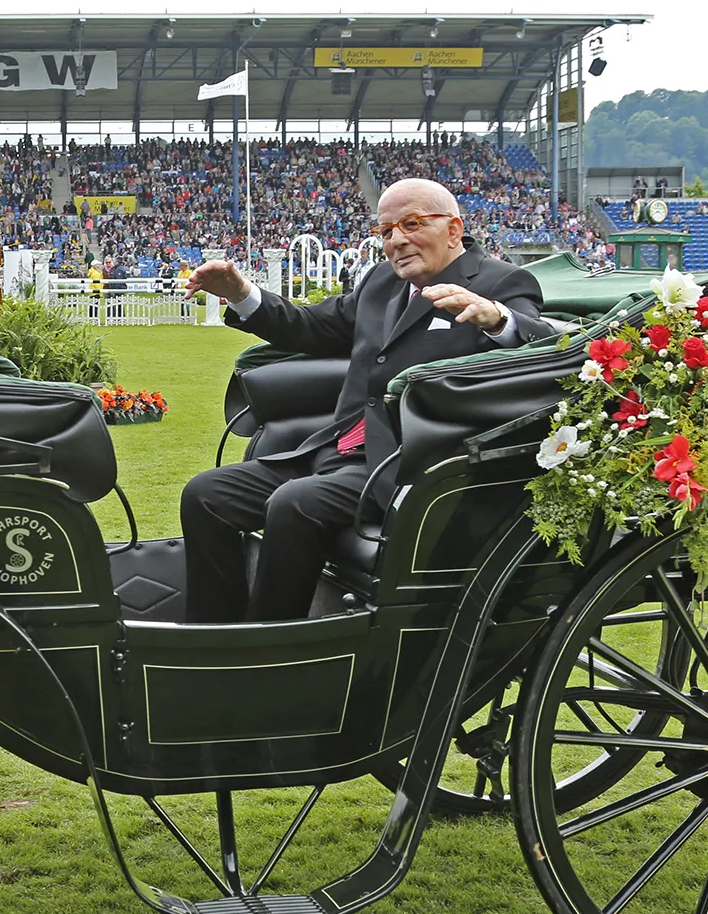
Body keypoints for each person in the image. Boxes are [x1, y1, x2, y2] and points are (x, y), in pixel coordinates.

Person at [176, 179, 557, 623]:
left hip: (409, 464)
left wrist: (497, 319)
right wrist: (242, 295)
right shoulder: (380, 282)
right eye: (385, 230)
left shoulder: (501, 281)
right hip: (335, 449)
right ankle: (211, 638)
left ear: (453, 230)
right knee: (206, 494)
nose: (396, 240)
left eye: (411, 224)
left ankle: (269, 653)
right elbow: (310, 327)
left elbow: (544, 350)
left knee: (293, 503)